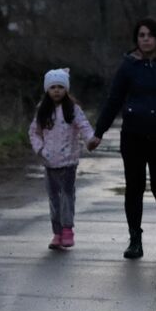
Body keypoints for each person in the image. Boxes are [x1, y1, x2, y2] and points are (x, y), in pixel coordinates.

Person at [91, 17, 156, 259]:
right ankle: (135, 239)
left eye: (149, 35)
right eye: (141, 35)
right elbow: (114, 101)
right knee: (134, 187)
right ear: (136, 39)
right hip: (133, 136)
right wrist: (98, 132)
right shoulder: (128, 66)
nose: (145, 39)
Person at [27, 67, 98, 250]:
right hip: (49, 162)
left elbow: (84, 126)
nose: (56, 90)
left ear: (66, 89)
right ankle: (56, 232)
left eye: (60, 86)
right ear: (47, 89)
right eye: (53, 87)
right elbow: (34, 132)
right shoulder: (42, 110)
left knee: (67, 196)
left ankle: (67, 229)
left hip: (68, 161)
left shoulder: (73, 109)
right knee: (53, 198)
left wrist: (91, 140)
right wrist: (40, 149)